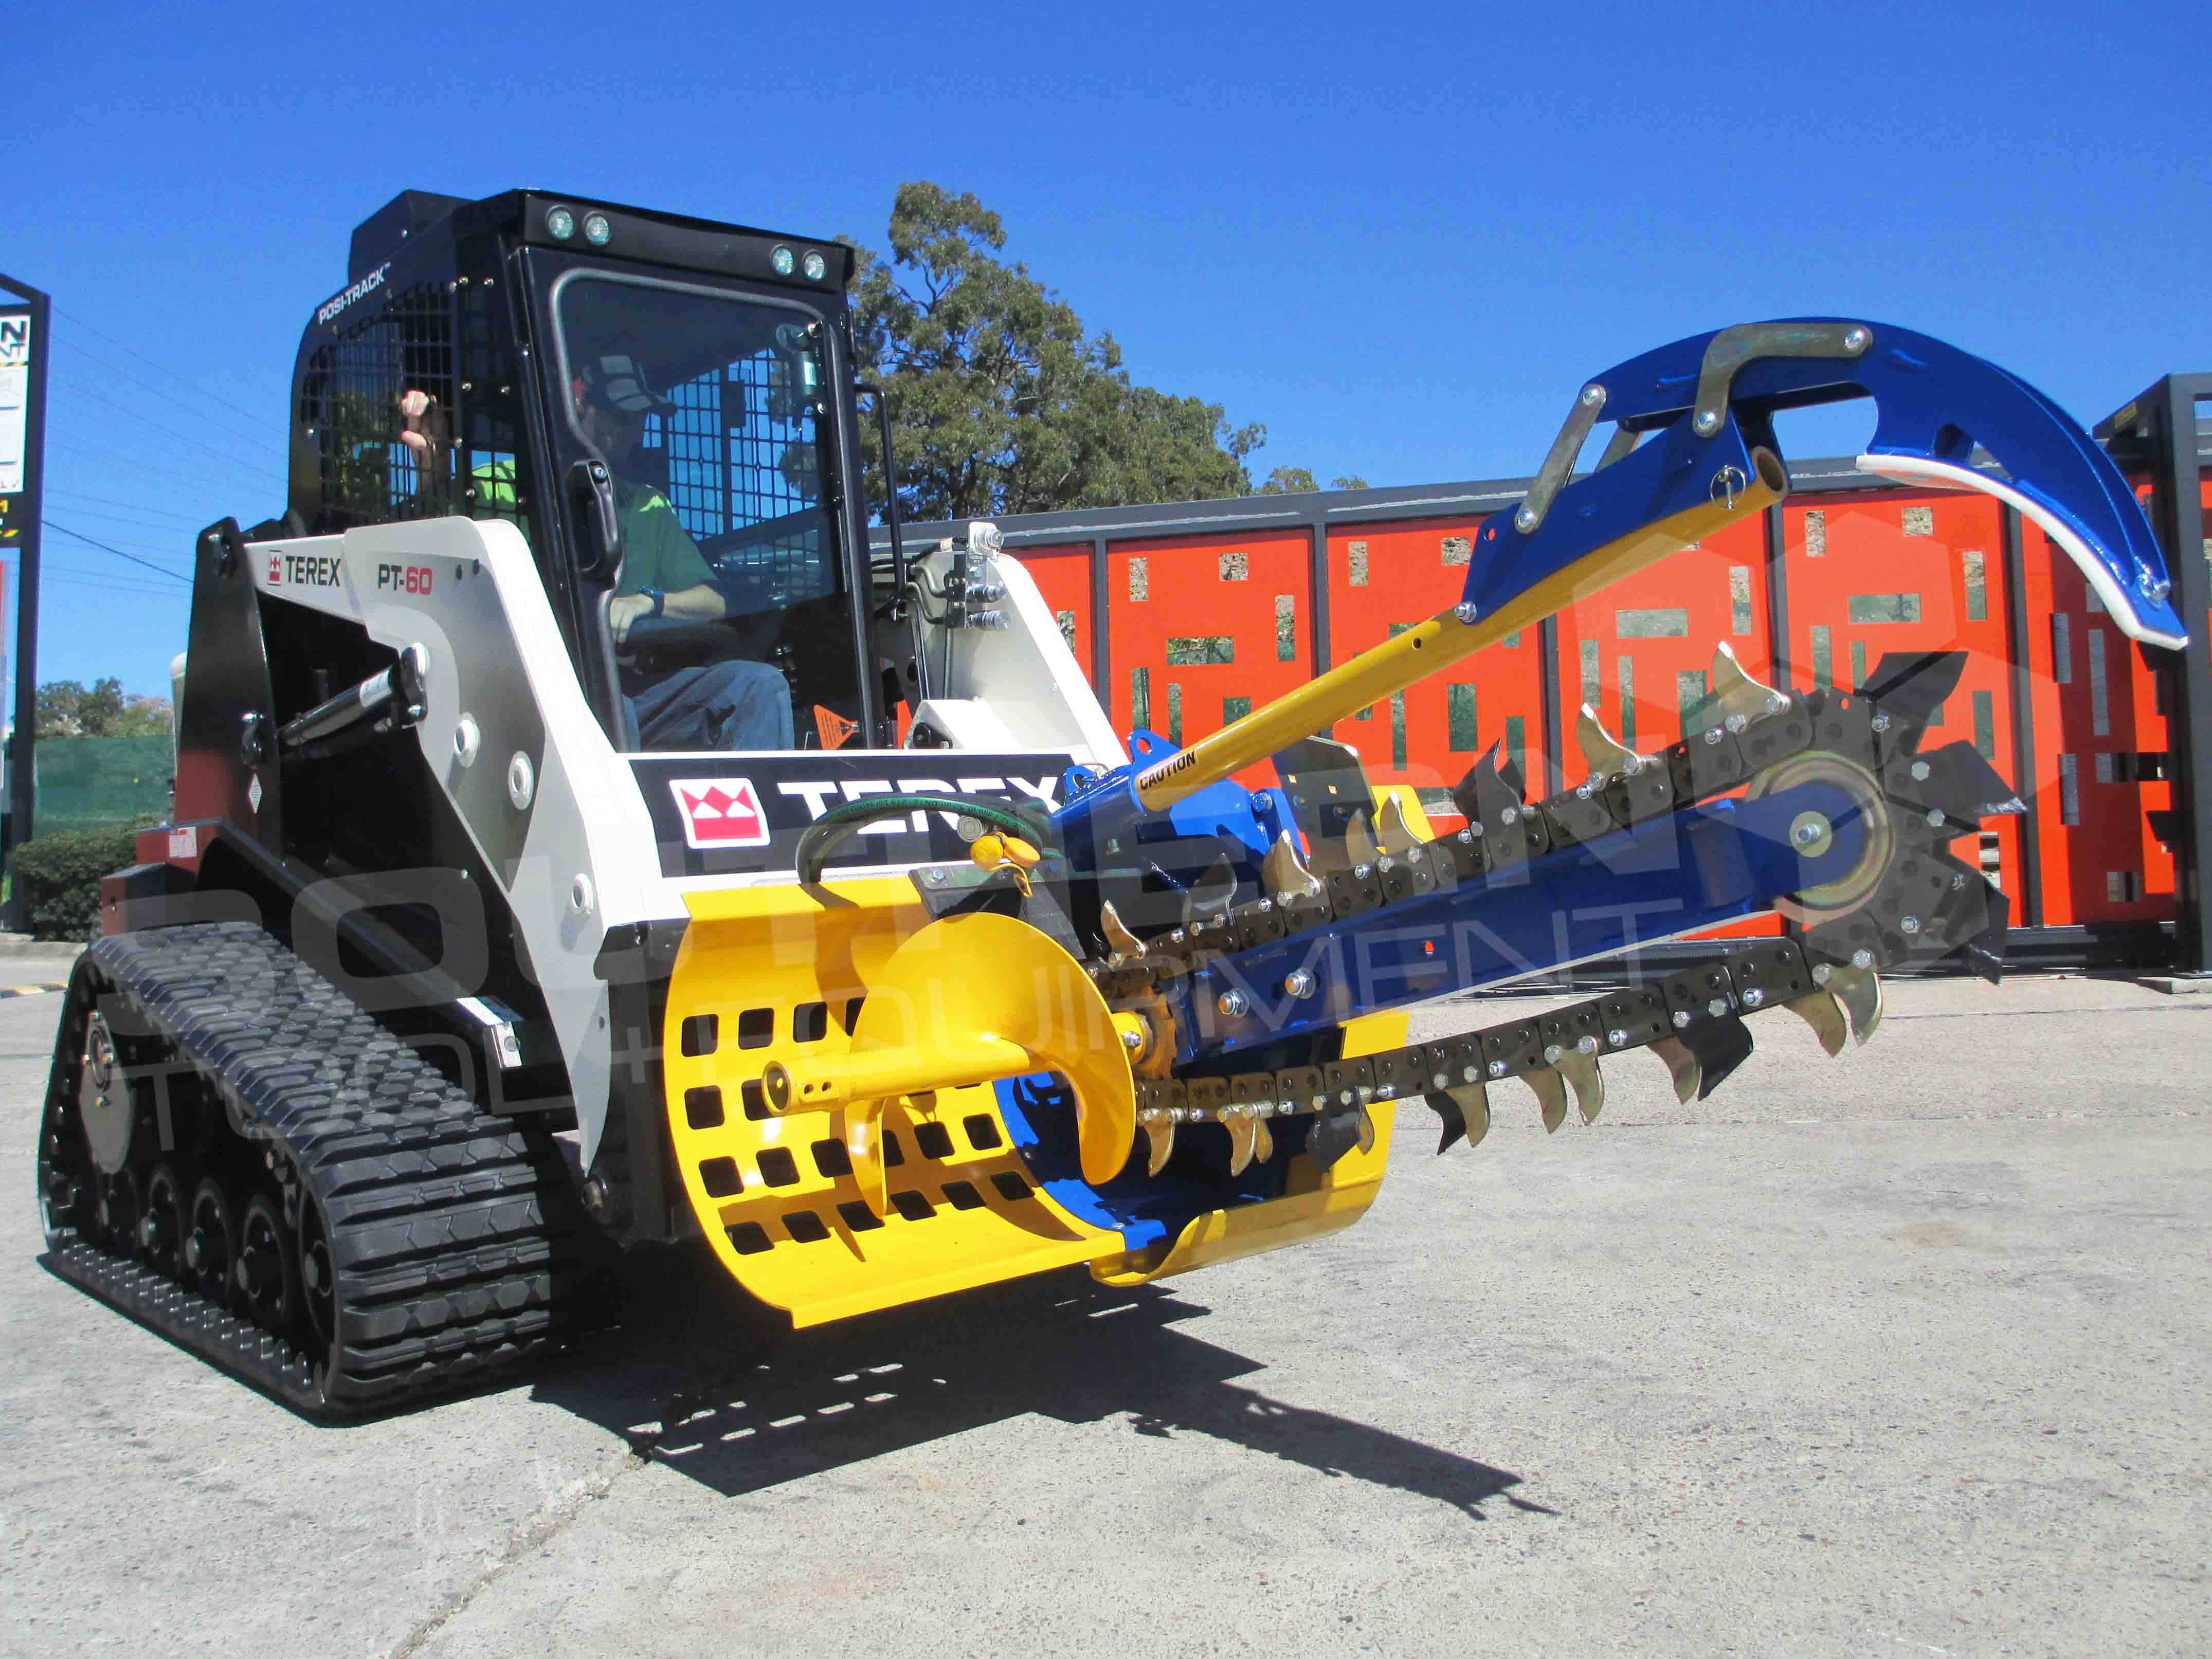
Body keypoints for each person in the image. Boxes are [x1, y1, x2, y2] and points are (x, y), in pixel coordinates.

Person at [396, 357, 794, 752]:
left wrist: (649, 602)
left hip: (633, 686)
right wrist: (433, 474)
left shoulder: (648, 506)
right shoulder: (494, 487)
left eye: (642, 419)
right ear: (579, 410)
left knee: (760, 687)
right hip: (533, 686)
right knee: (612, 711)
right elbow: (435, 561)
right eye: (624, 418)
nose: (637, 433)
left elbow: (716, 600)